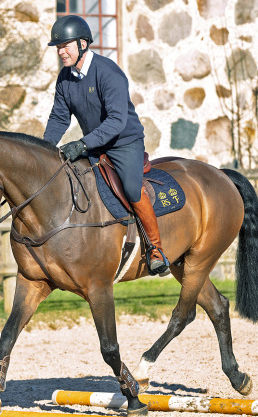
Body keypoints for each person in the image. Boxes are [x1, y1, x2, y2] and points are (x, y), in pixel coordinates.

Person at [42, 15, 169, 276]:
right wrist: (42, 150)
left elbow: (116, 121)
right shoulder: (65, 79)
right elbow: (58, 118)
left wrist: (82, 144)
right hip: (95, 146)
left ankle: (156, 249)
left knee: (132, 188)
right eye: (58, 47)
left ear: (83, 44)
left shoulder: (108, 72)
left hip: (124, 143)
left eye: (65, 46)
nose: (61, 52)